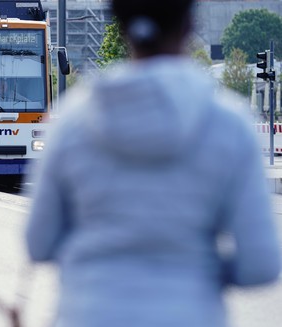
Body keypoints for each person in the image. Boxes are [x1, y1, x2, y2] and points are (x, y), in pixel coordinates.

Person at [25, 0, 281, 326]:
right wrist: (191, 270)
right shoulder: (230, 125)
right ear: (189, 24)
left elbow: (39, 244)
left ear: (118, 25)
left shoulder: (72, 124)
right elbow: (260, 265)